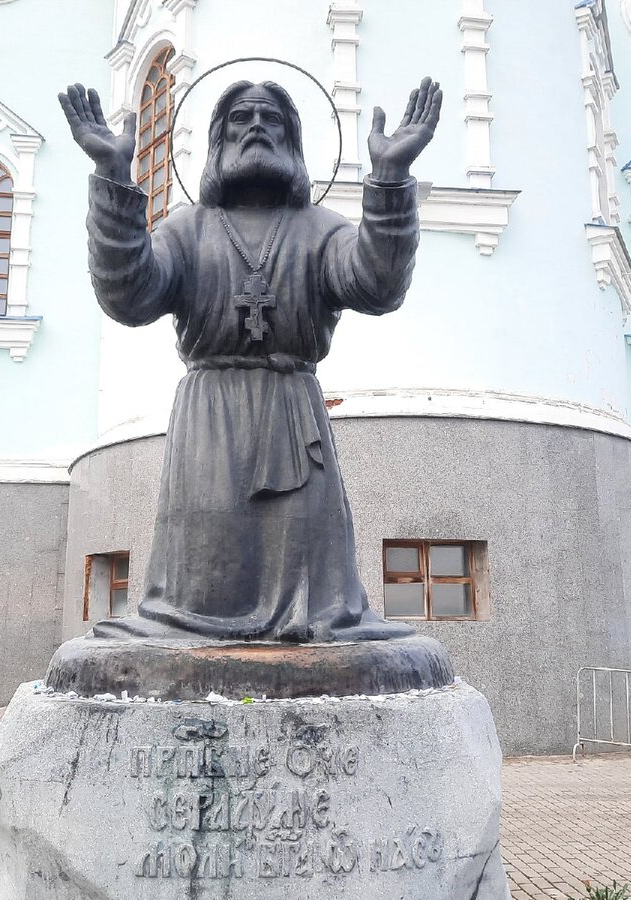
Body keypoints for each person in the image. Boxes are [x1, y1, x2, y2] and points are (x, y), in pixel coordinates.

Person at [58, 75, 442, 642]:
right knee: (203, 571)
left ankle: (309, 628)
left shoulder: (319, 230)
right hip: (209, 420)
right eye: (241, 118)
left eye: (271, 119)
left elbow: (378, 283)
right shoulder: (187, 229)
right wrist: (114, 176)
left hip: (292, 411)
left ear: (292, 140)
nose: (256, 127)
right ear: (218, 140)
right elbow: (128, 295)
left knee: (314, 595)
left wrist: (389, 179)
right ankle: (189, 628)